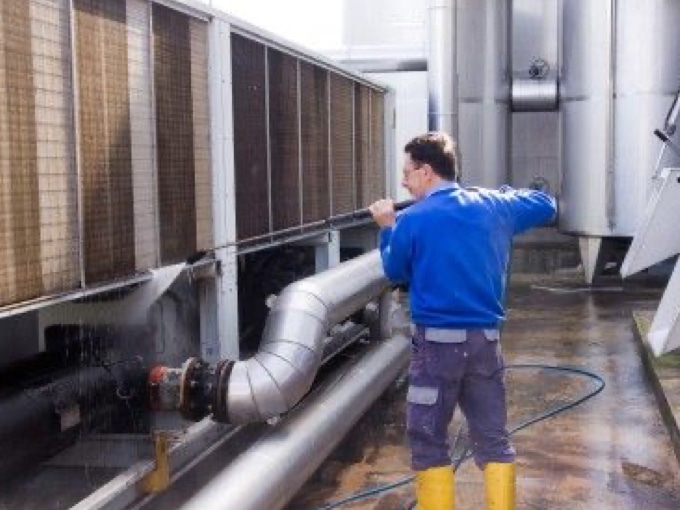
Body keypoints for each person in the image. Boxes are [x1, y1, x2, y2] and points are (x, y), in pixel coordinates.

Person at [369, 132, 556, 510]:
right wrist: (500, 193)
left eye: (406, 173)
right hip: (486, 344)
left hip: (436, 348)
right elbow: (545, 203)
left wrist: (387, 226)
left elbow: (394, 269)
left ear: (425, 172)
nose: (403, 182)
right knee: (493, 438)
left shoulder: (412, 219)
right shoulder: (494, 206)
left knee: (427, 438)